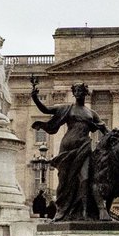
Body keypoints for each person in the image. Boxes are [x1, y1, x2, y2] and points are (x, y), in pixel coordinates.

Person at [29, 79, 107, 222]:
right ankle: (61, 209)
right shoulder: (67, 108)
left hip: (84, 146)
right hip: (68, 146)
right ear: (73, 93)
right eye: (75, 91)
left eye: (80, 91)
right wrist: (35, 97)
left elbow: (105, 130)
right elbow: (46, 110)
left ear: (85, 93)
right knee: (64, 179)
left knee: (85, 178)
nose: (78, 93)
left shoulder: (91, 113)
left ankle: (84, 211)